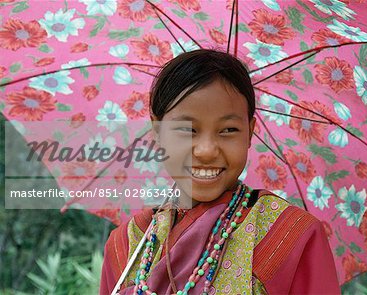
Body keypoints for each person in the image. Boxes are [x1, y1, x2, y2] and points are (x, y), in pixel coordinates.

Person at [100, 49, 340, 295]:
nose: (206, 151)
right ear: (157, 131)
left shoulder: (291, 236)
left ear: (250, 130)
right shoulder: (127, 245)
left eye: (227, 130)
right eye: (186, 130)